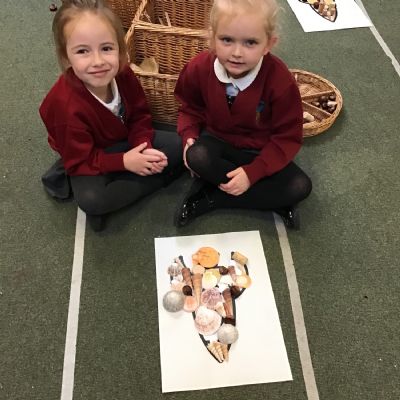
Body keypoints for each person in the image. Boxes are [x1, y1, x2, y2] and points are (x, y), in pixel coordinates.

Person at [39, 0, 182, 231]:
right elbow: (81, 161)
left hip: (123, 139)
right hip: (91, 153)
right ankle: (158, 179)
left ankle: (127, 185)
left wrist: (143, 147)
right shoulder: (65, 107)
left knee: (181, 145)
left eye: (106, 48)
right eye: (83, 51)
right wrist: (125, 162)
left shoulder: (123, 74)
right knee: (92, 200)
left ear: (120, 49)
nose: (98, 62)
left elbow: (140, 116)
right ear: (66, 58)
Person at [174, 0, 312, 229]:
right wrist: (189, 136)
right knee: (196, 156)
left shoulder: (280, 81)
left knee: (300, 186)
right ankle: (270, 201)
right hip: (219, 144)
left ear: (268, 44)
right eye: (227, 40)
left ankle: (212, 199)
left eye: (250, 42)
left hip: (260, 151)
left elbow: (287, 137)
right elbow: (190, 107)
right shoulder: (199, 67)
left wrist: (252, 173)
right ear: (212, 38)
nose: (237, 53)